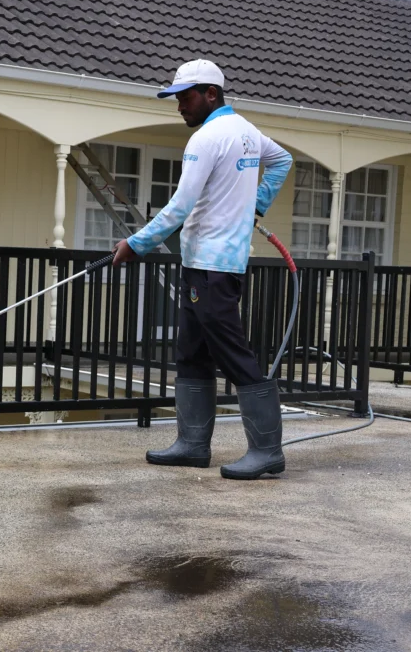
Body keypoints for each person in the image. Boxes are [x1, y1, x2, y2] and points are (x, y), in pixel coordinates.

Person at [112, 59, 294, 480]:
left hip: (214, 266)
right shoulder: (247, 132)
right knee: (191, 353)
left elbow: (180, 205)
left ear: (211, 94)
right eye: (177, 98)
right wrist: (257, 205)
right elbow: (282, 159)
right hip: (204, 263)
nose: (180, 106)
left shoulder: (207, 138)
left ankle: (267, 451)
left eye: (186, 97)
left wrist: (136, 244)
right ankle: (193, 446)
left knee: (233, 354)